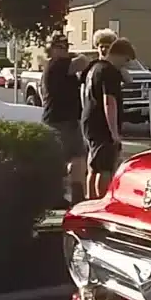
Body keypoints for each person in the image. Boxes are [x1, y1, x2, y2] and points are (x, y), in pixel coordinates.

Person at [81, 38, 134, 198]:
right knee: (105, 168)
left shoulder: (94, 67)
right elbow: (109, 102)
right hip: (103, 124)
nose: (125, 64)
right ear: (120, 54)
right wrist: (114, 133)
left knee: (94, 166)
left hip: (89, 120)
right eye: (126, 60)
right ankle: (102, 201)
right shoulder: (109, 71)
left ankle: (90, 200)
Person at [39, 34, 86, 206]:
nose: (66, 50)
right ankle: (56, 196)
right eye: (62, 47)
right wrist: (74, 55)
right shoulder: (57, 65)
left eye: (67, 46)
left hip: (69, 119)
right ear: (52, 49)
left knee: (78, 158)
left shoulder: (60, 66)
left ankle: (77, 196)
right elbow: (83, 61)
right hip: (59, 120)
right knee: (60, 159)